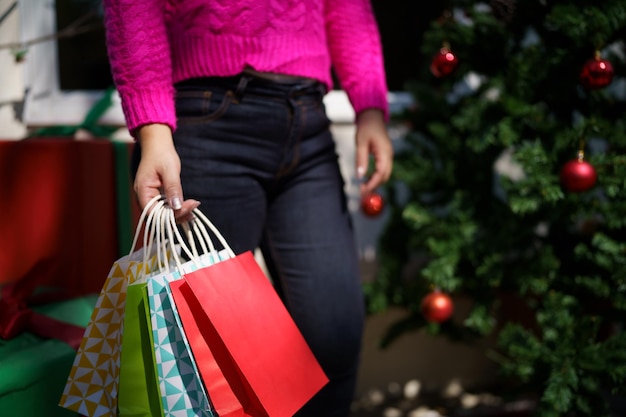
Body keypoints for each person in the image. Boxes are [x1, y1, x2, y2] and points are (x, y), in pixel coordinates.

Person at [102, 1, 392, 415]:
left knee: (334, 337)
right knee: (207, 361)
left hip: (307, 122)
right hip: (207, 124)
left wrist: (369, 105)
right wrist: (153, 130)